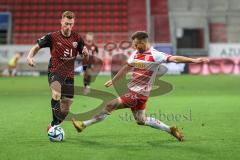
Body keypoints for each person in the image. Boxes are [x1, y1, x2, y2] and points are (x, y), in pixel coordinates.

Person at [72, 31, 209, 141]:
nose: (135, 47)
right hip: (135, 91)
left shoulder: (155, 55)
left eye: (137, 44)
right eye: (134, 44)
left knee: (110, 105)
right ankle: (170, 129)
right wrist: (114, 80)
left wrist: (194, 60)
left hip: (139, 93)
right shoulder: (136, 53)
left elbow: (174, 58)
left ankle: (83, 125)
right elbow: (126, 67)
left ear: (144, 42)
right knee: (140, 120)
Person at [27, 11, 88, 131]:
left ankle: (53, 124)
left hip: (69, 75)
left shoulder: (77, 38)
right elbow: (36, 47)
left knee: (66, 108)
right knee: (56, 93)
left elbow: (85, 57)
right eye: (66, 23)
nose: (68, 27)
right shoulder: (52, 37)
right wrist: (30, 57)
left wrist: (86, 54)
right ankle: (55, 127)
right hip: (55, 71)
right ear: (61, 22)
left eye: (71, 24)